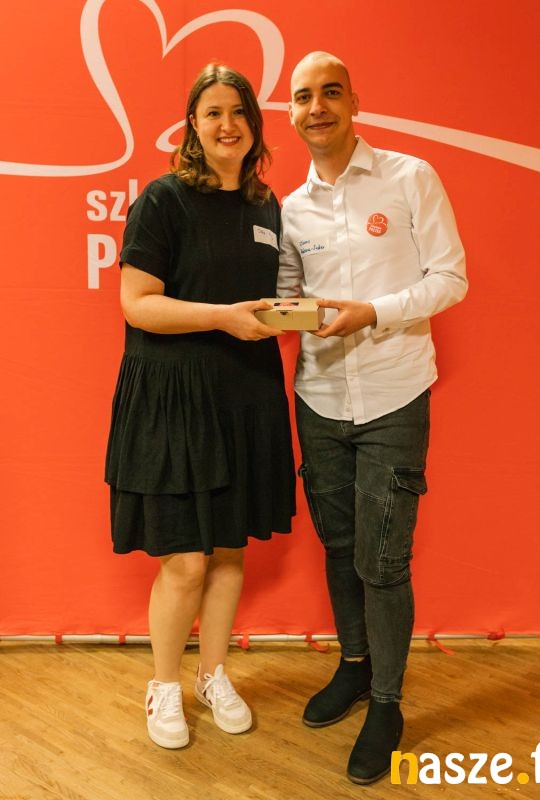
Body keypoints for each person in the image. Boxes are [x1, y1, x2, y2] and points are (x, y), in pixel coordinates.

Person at [278, 52, 467, 784]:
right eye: (303, 96)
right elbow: (291, 293)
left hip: (394, 393)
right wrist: (275, 310)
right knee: (338, 545)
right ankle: (355, 666)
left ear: (355, 101)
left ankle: (387, 702)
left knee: (383, 561)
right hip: (319, 396)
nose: (317, 107)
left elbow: (450, 278)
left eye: (330, 92)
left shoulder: (410, 177)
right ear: (291, 113)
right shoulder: (291, 208)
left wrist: (374, 312)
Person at [105, 64, 295, 749]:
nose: (227, 125)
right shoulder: (163, 200)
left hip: (245, 393)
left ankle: (213, 675)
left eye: (238, 112)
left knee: (229, 550)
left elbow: (268, 301)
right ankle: (164, 686)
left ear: (255, 124)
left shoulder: (266, 205)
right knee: (185, 560)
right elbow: (137, 304)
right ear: (193, 125)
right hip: (174, 398)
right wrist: (222, 316)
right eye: (213, 112)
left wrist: (297, 315)